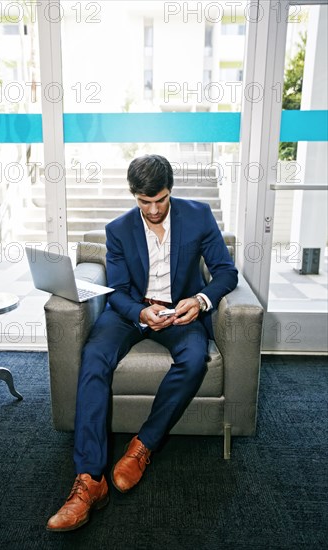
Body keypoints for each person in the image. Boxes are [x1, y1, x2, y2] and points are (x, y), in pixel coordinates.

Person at [47, 154, 238, 532]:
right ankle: (90, 482)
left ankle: (143, 445)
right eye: (143, 201)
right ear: (133, 195)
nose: (152, 210)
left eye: (160, 200)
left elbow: (225, 272)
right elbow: (117, 290)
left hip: (178, 313)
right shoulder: (117, 229)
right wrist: (139, 312)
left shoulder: (198, 215)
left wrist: (199, 302)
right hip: (130, 313)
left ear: (171, 191)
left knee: (195, 356)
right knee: (95, 356)